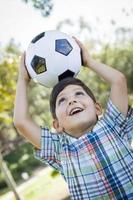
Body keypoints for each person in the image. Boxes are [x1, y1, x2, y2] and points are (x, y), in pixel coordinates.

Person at [13, 38, 133, 199]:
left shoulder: (113, 124)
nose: (72, 100)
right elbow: (21, 122)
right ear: (57, 125)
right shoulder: (59, 148)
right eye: (62, 100)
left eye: (79, 94)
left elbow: (118, 81)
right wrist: (23, 79)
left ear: (97, 108)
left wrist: (89, 61)